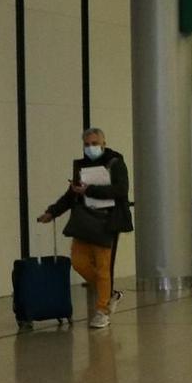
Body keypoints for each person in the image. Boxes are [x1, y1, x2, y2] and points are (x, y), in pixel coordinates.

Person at [38, 127, 132, 329]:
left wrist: (90, 190)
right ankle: (110, 293)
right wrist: (53, 212)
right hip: (84, 221)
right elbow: (71, 194)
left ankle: (102, 310)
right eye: (87, 144)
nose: (91, 148)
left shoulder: (115, 162)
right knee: (79, 262)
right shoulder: (81, 166)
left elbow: (120, 190)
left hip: (108, 222)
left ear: (104, 143)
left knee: (103, 267)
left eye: (95, 144)